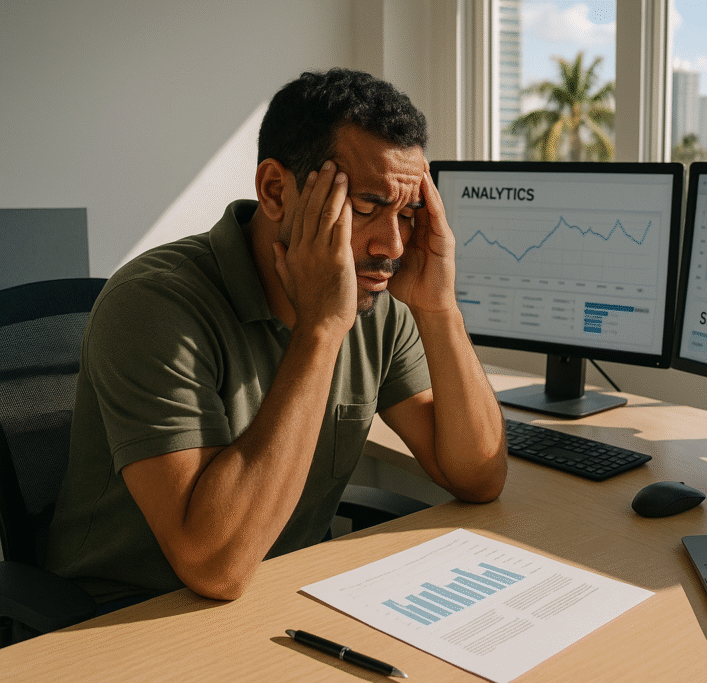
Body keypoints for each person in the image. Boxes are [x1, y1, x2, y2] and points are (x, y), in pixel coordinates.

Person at [45, 69, 507, 609]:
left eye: (407, 215)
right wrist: (321, 329)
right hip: (126, 617)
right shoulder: (153, 306)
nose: (393, 245)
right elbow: (213, 565)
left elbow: (477, 476)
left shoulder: (377, 293)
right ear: (274, 190)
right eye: (365, 208)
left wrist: (439, 306)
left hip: (281, 594)